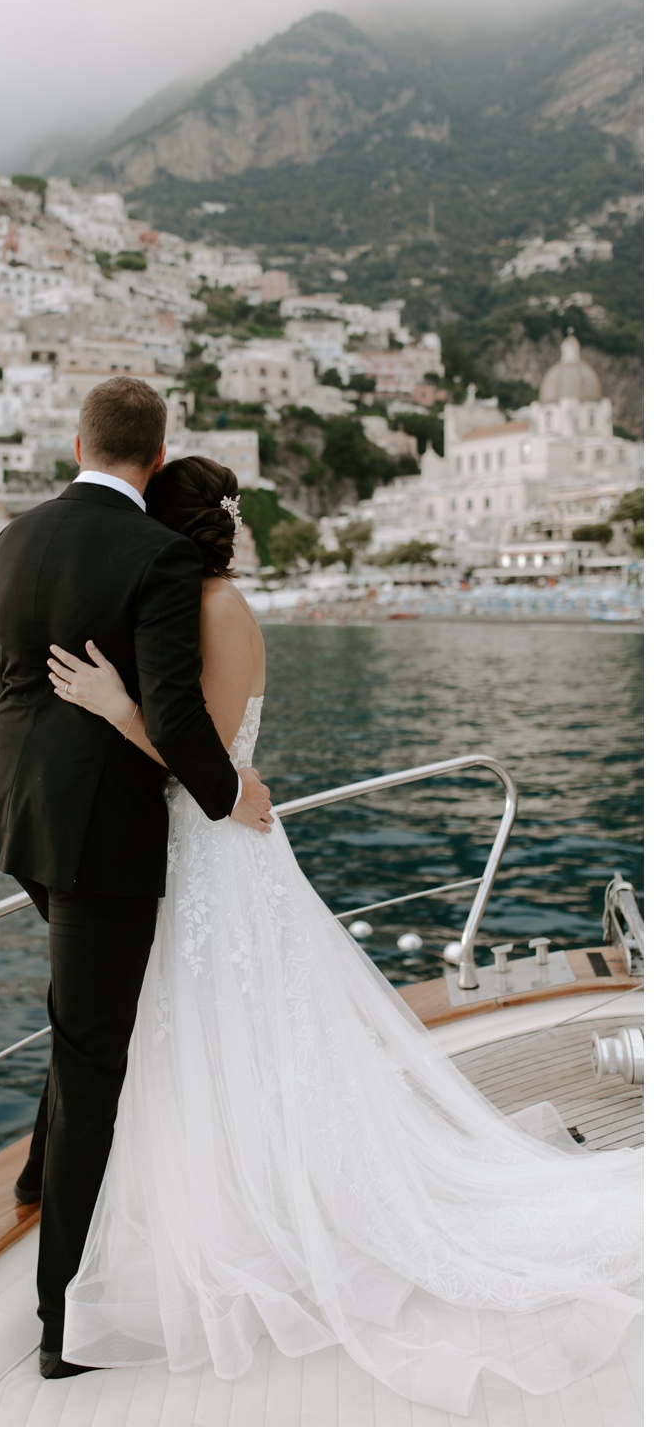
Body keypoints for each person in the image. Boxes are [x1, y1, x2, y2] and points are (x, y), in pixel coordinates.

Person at [44, 454, 642, 1415]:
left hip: (221, 849)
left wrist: (117, 708)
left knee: (251, 1034)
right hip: (203, 852)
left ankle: (283, 1214)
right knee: (220, 1039)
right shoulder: (192, 602)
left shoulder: (218, 612)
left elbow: (216, 759)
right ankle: (239, 1200)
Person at [0, 377, 277, 1380]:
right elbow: (180, 720)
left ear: (76, 440)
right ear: (157, 448)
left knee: (79, 1016)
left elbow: (6, 680)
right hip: (97, 832)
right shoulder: (159, 555)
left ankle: (31, 1176)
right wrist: (233, 798)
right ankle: (63, 1329)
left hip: (8, 810)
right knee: (94, 1051)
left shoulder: (9, 538)